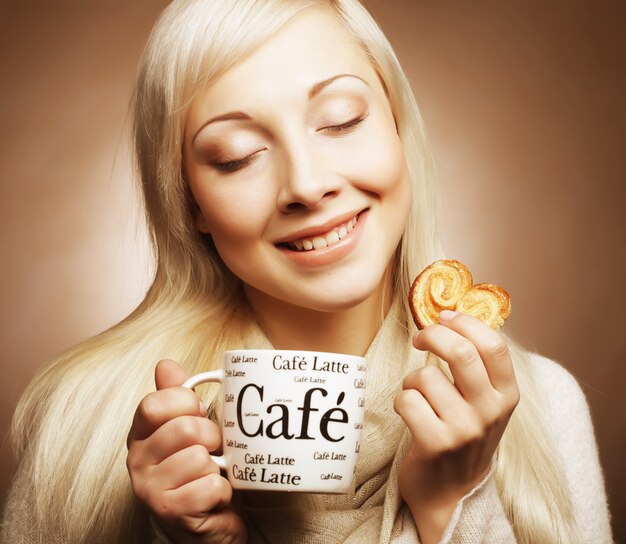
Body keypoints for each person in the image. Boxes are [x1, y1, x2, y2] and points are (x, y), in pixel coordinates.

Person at [1, 1, 613, 543]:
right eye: (237, 157)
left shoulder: (545, 411)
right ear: (190, 204)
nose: (307, 185)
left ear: (400, 127)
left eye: (342, 120)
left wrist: (450, 504)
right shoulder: (80, 429)